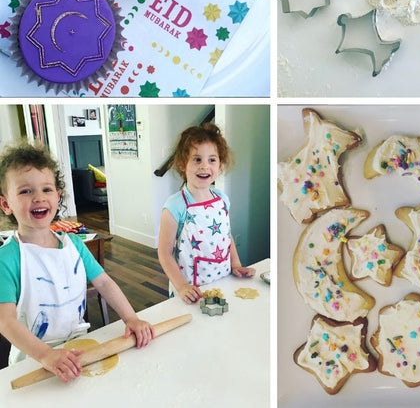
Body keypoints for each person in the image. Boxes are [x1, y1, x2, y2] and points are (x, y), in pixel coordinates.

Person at [0, 141, 153, 381]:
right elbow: (5, 321)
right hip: (34, 360)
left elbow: (104, 283)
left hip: (79, 348)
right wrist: (45, 355)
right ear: (6, 204)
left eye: (46, 189)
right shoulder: (7, 258)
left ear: (58, 195)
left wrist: (131, 318)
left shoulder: (74, 244)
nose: (39, 197)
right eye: (25, 191)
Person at [157, 123, 253, 305]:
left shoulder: (222, 199)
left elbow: (226, 236)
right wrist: (182, 286)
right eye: (197, 159)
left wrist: (236, 265)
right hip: (191, 293)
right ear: (182, 164)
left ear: (221, 165)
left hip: (224, 284)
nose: (205, 166)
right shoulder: (175, 206)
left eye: (212, 160)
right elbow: (164, 253)